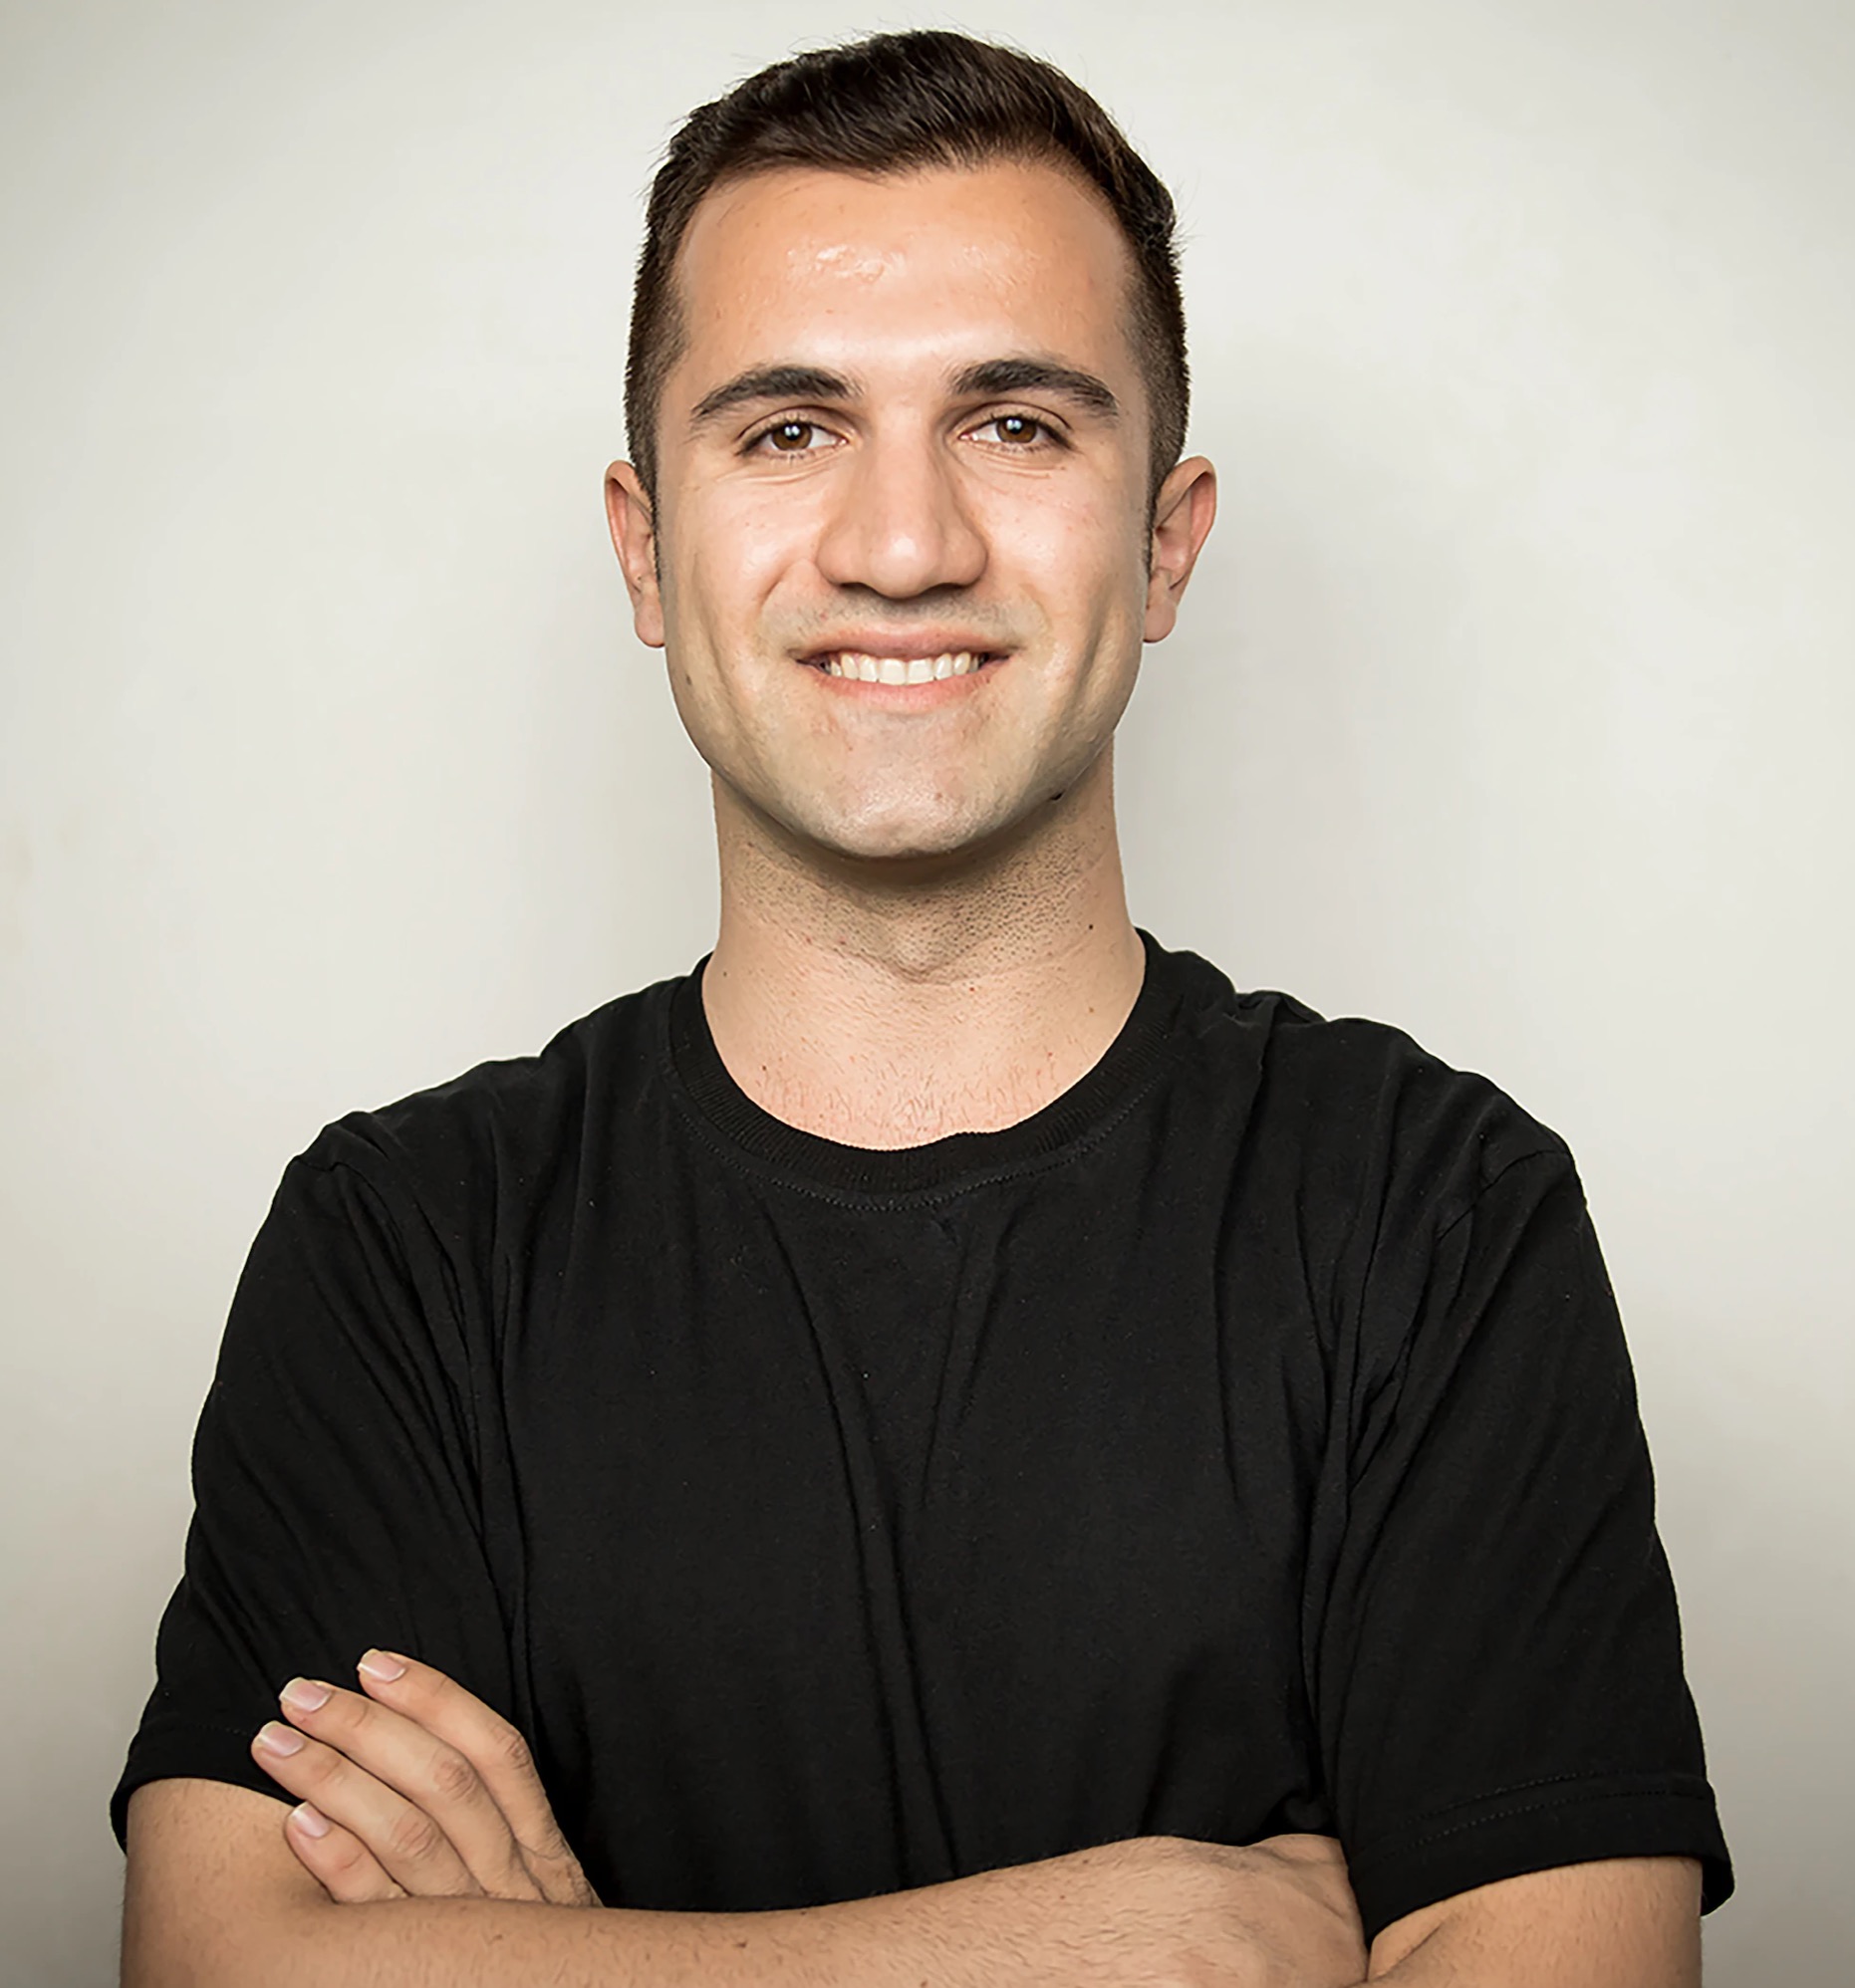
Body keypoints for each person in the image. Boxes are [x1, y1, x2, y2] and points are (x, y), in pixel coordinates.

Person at [115, 28, 1731, 1987]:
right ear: (645, 548)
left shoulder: (1435, 1212)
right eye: (789, 430)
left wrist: (582, 1965)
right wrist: (1139, 1938)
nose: (902, 548)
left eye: (1016, 425)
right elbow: (217, 1961)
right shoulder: (402, 1244)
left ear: (1164, 542)